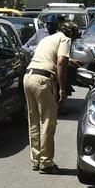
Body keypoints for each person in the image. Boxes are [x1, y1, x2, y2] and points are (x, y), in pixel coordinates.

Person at [23, 16, 73, 173]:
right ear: (71, 34)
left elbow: (48, 57)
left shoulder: (48, 39)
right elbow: (61, 62)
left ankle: (36, 159)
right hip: (43, 81)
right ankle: (46, 163)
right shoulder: (65, 39)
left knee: (34, 121)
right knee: (48, 121)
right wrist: (62, 89)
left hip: (29, 77)